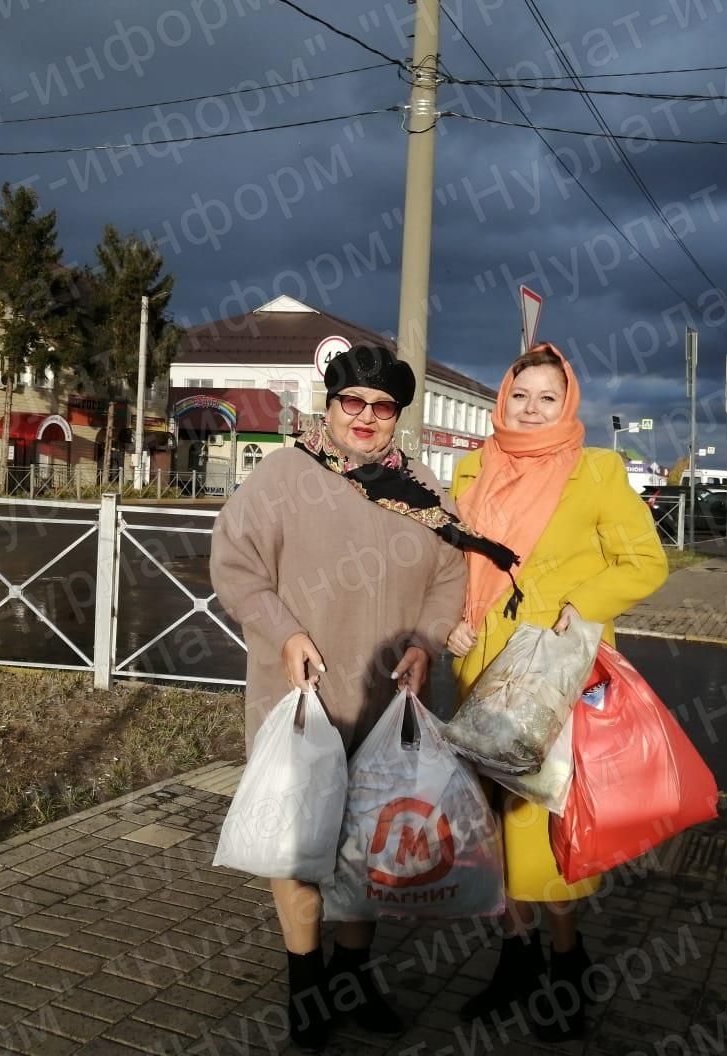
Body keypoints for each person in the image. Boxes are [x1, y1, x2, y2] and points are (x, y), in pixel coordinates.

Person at [210, 343, 517, 1051]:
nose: (367, 417)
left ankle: (353, 973)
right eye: (354, 402)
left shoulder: (420, 487)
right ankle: (304, 984)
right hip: (301, 694)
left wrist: (426, 642)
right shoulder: (284, 475)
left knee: (370, 837)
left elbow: (450, 575)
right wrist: (284, 633)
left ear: (397, 417)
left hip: (388, 696)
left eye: (383, 407)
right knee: (300, 843)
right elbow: (235, 566)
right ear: (331, 404)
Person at [446, 343, 669, 1041]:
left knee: (543, 823)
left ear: (567, 402)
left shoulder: (597, 471)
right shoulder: (472, 466)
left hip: (551, 671)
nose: (532, 408)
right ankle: (516, 960)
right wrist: (451, 620)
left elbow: (645, 561)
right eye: (520, 395)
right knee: (491, 822)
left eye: (547, 396)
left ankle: (568, 964)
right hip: (480, 665)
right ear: (501, 399)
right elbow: (456, 561)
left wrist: (580, 602)